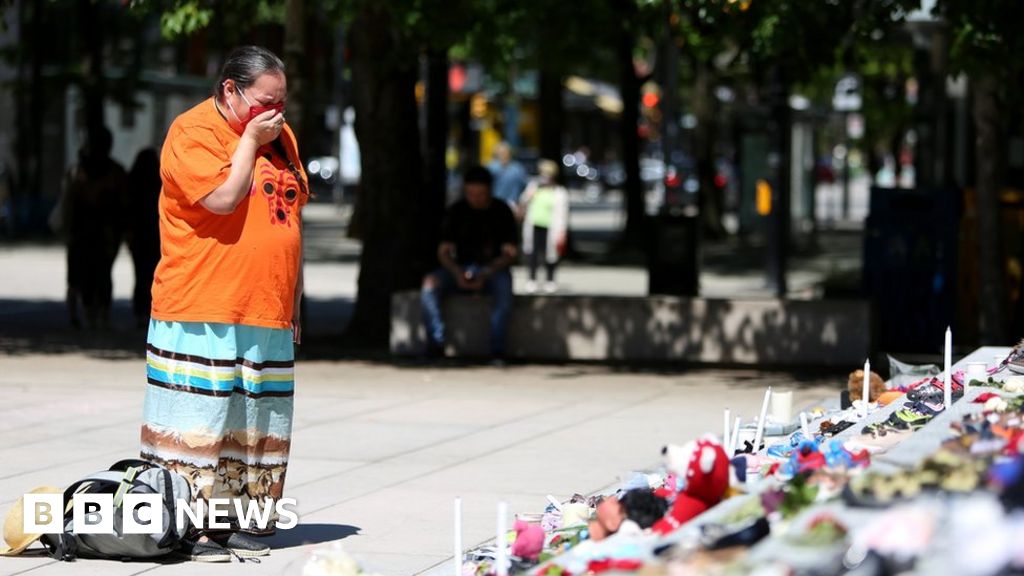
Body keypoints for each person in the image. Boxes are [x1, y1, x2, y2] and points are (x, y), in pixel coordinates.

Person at [140, 46, 307, 562]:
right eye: (263, 102)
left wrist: (295, 299)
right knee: (200, 422)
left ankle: (240, 521)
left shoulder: (282, 137)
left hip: (267, 307)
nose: (273, 112)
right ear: (230, 90)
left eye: (280, 102)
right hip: (201, 305)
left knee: (257, 421)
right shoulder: (192, 132)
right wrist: (252, 142)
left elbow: (290, 216)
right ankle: (184, 526)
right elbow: (222, 199)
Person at [421, 166, 518, 362]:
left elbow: (511, 253)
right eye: (471, 194)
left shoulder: (502, 211)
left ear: (490, 190)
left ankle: (497, 349)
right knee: (429, 285)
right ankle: (436, 343)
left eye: (481, 194)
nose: (476, 199)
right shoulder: (457, 211)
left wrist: (488, 271)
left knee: (504, 290)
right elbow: (444, 251)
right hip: (460, 268)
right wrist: (457, 272)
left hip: (493, 269)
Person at [60, 126, 127, 329]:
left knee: (92, 275)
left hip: (93, 232)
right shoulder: (109, 171)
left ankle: (90, 315)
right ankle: (94, 315)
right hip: (91, 232)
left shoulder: (80, 171)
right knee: (93, 275)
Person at [519, 159, 569, 294]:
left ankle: (550, 280)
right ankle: (532, 280)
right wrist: (529, 196)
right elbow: (523, 201)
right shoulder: (534, 187)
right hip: (534, 225)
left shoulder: (560, 192)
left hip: (551, 227)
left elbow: (563, 214)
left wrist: (562, 232)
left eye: (548, 174)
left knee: (551, 254)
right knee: (532, 253)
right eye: (543, 173)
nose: (545, 177)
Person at [126, 148, 161, 329]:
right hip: (155, 237)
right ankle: (148, 311)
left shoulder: (132, 186)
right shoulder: (159, 185)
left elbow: (127, 211)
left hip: (139, 237)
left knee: (140, 275)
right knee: (152, 275)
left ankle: (140, 312)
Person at [487, 141, 528, 207]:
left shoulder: (518, 168)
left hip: (512, 205)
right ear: (496, 153)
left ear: (509, 153)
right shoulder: (491, 167)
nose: (502, 154)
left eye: (504, 152)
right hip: (495, 205)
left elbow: (523, 185)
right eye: (500, 152)